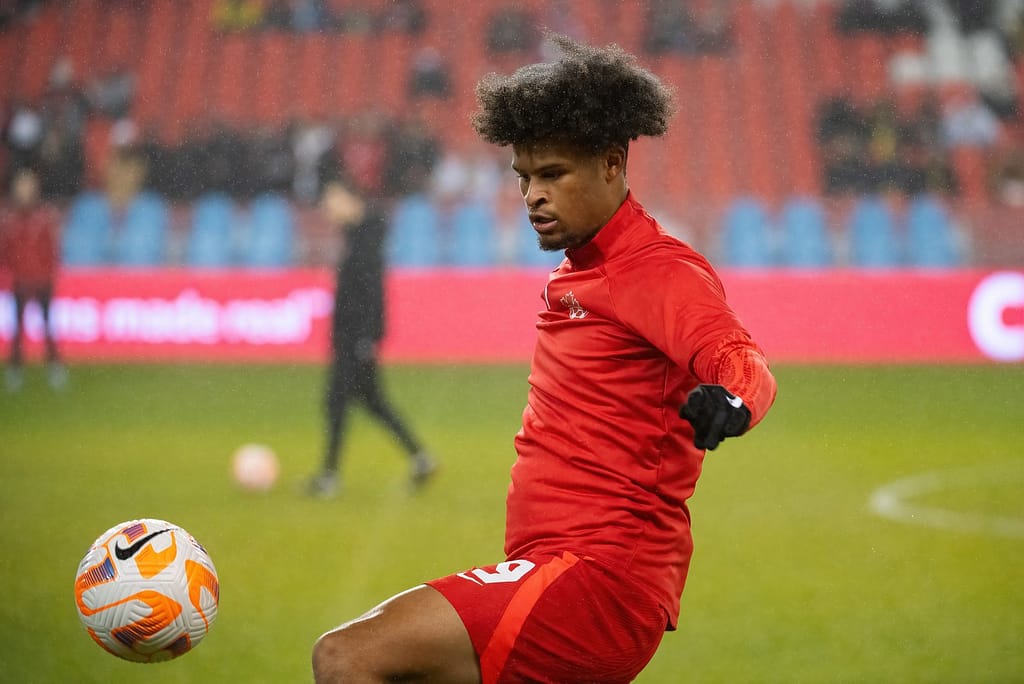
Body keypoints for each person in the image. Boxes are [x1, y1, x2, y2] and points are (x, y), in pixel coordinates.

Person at [311, 35, 777, 682]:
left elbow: (737, 355)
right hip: (556, 570)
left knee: (346, 657)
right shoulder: (576, 271)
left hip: (597, 580)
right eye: (525, 177)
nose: (532, 194)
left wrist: (732, 399)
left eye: (553, 175)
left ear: (612, 164)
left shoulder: (657, 270)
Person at [306, 178, 436, 497]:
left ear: (351, 200)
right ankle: (420, 458)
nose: (328, 208)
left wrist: (367, 337)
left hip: (355, 339)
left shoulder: (365, 238)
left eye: (333, 200)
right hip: (352, 337)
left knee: (337, 401)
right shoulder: (359, 235)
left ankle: (329, 477)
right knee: (373, 402)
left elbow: (371, 293)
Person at [1, 166, 66, 392]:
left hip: (42, 281)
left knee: (48, 326)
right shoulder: (8, 219)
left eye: (28, 185)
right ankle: (15, 368)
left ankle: (54, 366)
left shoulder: (44, 216)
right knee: (17, 328)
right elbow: (5, 252)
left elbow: (51, 250)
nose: (25, 190)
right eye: (22, 185)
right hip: (19, 281)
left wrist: (49, 274)